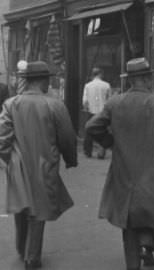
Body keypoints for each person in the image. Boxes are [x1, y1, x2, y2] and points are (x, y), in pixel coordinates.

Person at [86, 58, 154, 270]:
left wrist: (110, 143)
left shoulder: (115, 103)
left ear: (129, 80)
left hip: (123, 168)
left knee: (128, 214)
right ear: (146, 78)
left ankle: (133, 262)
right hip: (153, 168)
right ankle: (147, 243)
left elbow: (92, 126)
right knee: (149, 206)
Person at [0, 60, 78, 270]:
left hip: (18, 166)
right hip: (45, 164)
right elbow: (67, 138)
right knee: (39, 210)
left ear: (27, 81)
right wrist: (71, 159)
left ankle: (21, 247)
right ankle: (32, 257)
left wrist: (6, 161)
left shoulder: (11, 104)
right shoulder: (55, 105)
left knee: (22, 205)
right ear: (43, 81)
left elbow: (2, 138)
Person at [82, 67, 111, 159]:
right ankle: (101, 152)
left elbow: (85, 101)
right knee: (103, 132)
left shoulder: (87, 85)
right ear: (100, 74)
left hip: (91, 111)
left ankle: (88, 152)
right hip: (103, 112)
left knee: (89, 131)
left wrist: (86, 108)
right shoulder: (106, 85)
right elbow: (109, 100)